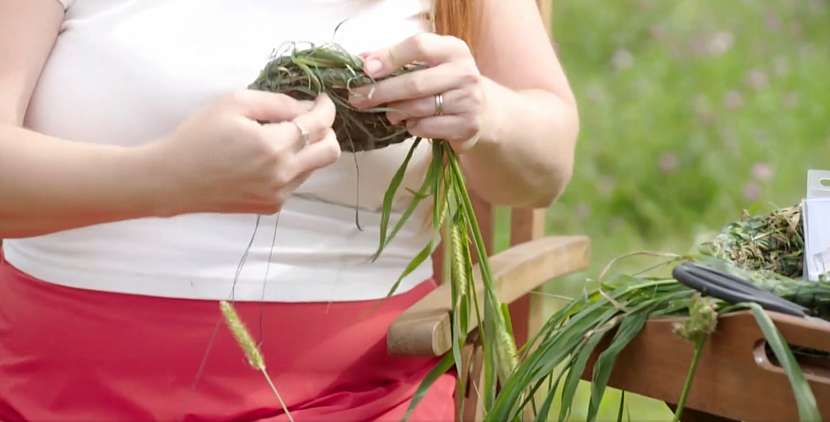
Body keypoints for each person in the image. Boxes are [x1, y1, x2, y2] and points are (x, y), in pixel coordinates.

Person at [0, 0, 578, 420]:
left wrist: (487, 113)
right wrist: (167, 179)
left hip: (354, 401)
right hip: (54, 394)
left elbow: (546, 166)